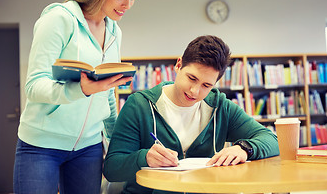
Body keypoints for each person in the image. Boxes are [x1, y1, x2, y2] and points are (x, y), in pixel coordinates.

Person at [13, 0, 143, 193]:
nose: (128, 5)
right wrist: (81, 89)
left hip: (88, 147)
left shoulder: (115, 31)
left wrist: (115, 141)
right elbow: (34, 86)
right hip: (41, 145)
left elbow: (106, 93)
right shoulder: (58, 20)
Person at [103, 35, 280, 194]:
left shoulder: (220, 107)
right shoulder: (139, 106)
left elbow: (271, 139)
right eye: (192, 78)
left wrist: (244, 149)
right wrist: (145, 157)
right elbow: (112, 168)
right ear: (178, 64)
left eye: (206, 85)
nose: (195, 91)